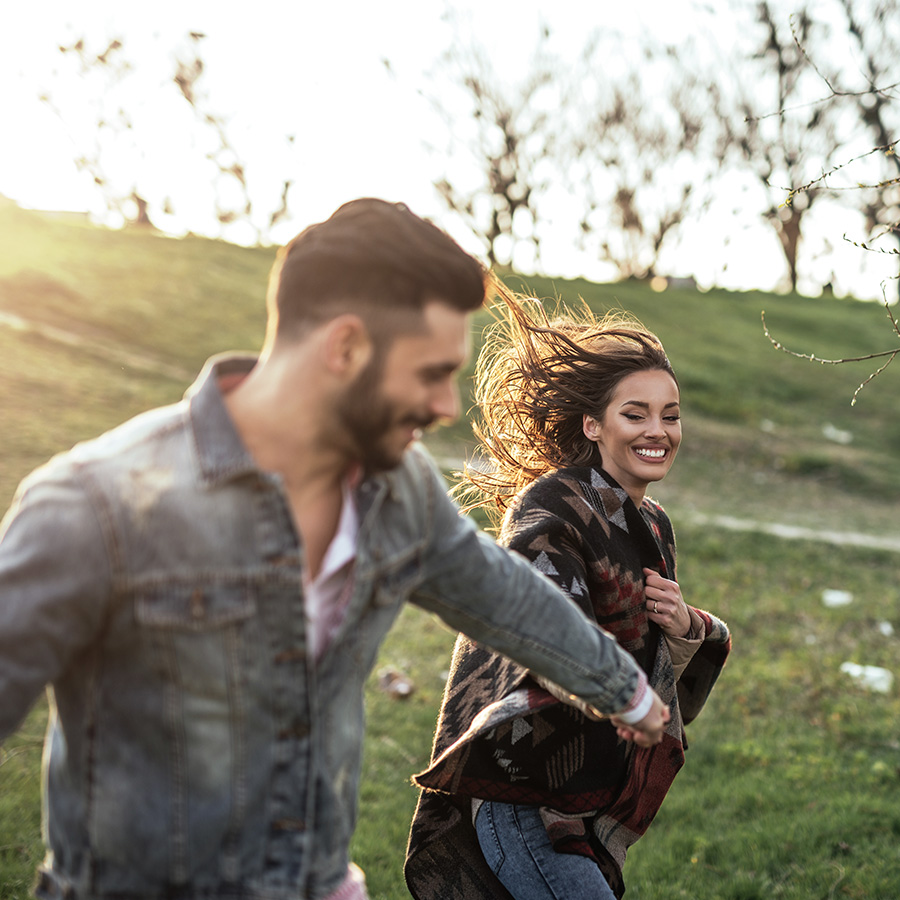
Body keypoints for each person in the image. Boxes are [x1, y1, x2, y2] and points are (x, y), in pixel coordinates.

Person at [0, 199, 670, 900]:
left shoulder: (395, 489)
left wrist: (620, 687)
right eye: (431, 373)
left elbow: (501, 594)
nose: (447, 406)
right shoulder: (96, 506)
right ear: (344, 348)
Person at [405, 291, 731, 900]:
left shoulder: (653, 523)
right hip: (524, 794)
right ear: (592, 423)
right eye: (635, 414)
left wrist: (685, 625)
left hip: (587, 797)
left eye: (671, 414)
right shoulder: (552, 504)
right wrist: (614, 679)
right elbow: (544, 626)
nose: (658, 431)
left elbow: (652, 666)